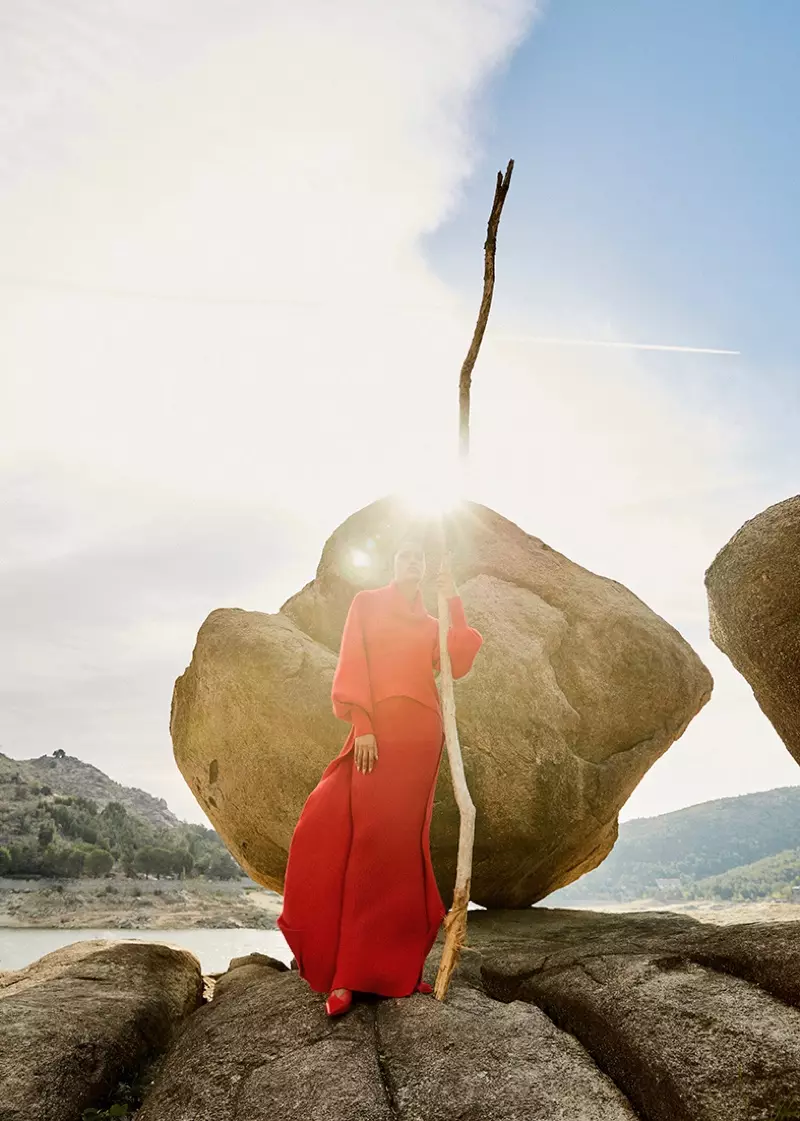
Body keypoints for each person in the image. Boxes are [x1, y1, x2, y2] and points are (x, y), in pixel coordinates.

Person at [277, 538, 483, 1016]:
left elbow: (459, 656)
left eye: (419, 556)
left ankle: (396, 972)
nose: (413, 559)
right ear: (394, 564)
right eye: (405, 554)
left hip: (421, 739)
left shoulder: (432, 623)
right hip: (379, 735)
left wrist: (452, 597)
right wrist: (363, 726)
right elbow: (354, 661)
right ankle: (345, 976)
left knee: (404, 851)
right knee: (362, 840)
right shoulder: (367, 605)